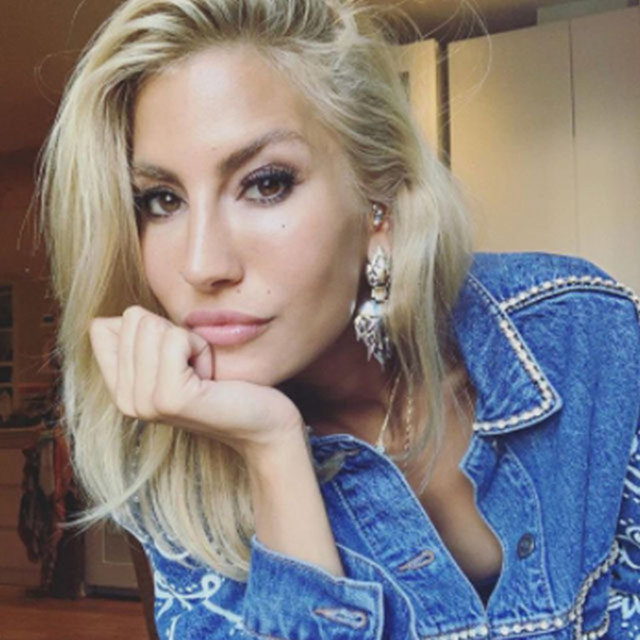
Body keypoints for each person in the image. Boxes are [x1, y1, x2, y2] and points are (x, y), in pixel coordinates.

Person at [39, 0, 640, 638]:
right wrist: (271, 450)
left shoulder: (578, 333)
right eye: (162, 201)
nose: (202, 264)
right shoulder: (171, 461)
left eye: (265, 184)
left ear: (377, 202)